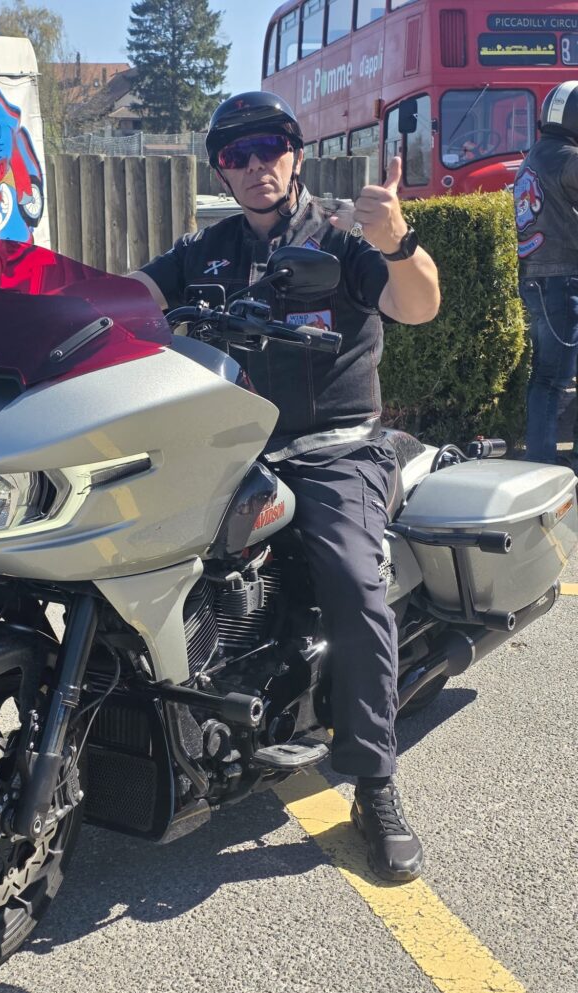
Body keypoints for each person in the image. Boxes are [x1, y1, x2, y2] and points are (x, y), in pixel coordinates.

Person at [130, 92, 440, 882]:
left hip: (335, 450)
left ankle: (374, 781)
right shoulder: (208, 248)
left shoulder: (342, 240)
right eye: (235, 155)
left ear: (295, 155)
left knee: (351, 579)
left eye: (268, 147)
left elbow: (417, 305)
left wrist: (397, 241)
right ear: (221, 171)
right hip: (231, 447)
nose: (254, 165)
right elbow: (133, 297)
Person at [514, 81, 578, 467]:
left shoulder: (535, 157)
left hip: (539, 280)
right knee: (552, 380)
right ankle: (541, 465)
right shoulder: (567, 159)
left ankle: (542, 459)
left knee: (546, 377)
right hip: (563, 281)